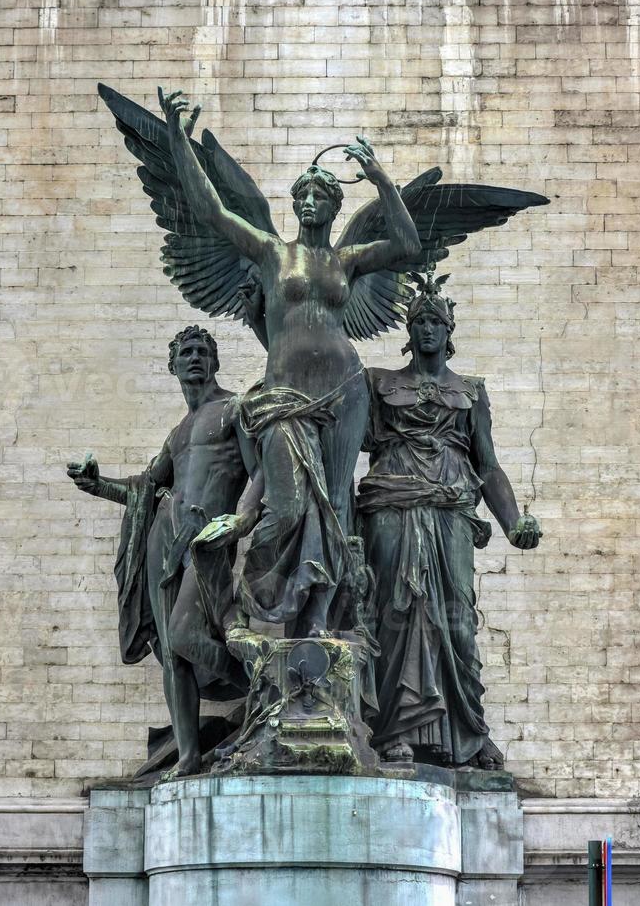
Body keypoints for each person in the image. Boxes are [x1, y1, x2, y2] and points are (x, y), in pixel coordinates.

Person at [160, 87, 425, 636]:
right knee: (286, 509)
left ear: (334, 206)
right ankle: (276, 618)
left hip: (343, 390)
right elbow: (210, 209)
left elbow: (407, 241)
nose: (308, 203)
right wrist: (177, 137)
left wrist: (379, 178)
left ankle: (326, 627)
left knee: (335, 505)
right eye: (302, 195)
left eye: (320, 195)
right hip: (283, 393)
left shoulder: (348, 259)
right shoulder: (270, 251)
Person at [357, 274, 542, 769]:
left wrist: (513, 521)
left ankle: (469, 731)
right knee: (395, 612)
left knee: (458, 620)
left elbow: (489, 465)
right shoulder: (378, 384)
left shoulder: (471, 392)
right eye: (419, 322)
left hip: (452, 509)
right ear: (409, 330)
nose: (427, 330)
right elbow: (337, 435)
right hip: (392, 503)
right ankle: (392, 731)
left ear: (449, 329)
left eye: (435, 321)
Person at [66, 326, 252, 776]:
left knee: (187, 635)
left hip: (207, 540)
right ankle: (189, 754)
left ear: (215, 362)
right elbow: (147, 488)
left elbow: (260, 472)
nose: (193, 358)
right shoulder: (178, 432)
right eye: (185, 352)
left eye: (202, 351)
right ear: (172, 366)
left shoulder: (235, 409)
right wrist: (98, 484)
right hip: (164, 540)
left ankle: (264, 688)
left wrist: (241, 520)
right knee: (171, 651)